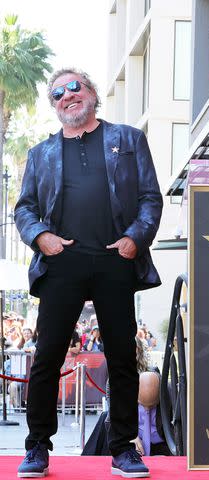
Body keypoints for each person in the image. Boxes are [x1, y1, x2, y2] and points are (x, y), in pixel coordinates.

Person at [15, 67, 162, 478]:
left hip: (116, 258)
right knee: (46, 358)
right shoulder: (40, 153)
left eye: (74, 87)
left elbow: (151, 197)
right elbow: (24, 208)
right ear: (55, 106)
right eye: (57, 93)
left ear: (93, 93)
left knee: (120, 357)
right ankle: (38, 448)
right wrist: (40, 235)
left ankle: (123, 449)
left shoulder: (128, 139)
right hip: (62, 262)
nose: (67, 96)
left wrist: (136, 237)